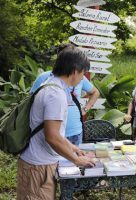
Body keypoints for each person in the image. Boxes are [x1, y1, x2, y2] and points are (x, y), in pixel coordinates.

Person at [17, 45, 96, 200]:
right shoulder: (56, 94)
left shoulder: (50, 83)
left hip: (38, 163)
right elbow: (52, 137)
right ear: (74, 71)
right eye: (82, 73)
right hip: (38, 166)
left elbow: (55, 133)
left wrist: (73, 148)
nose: (82, 77)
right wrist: (77, 160)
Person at [30, 45, 100, 145]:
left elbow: (95, 92)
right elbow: (31, 103)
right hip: (52, 134)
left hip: (75, 130)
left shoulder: (75, 79)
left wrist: (85, 109)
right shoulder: (53, 89)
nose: (83, 77)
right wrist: (76, 160)